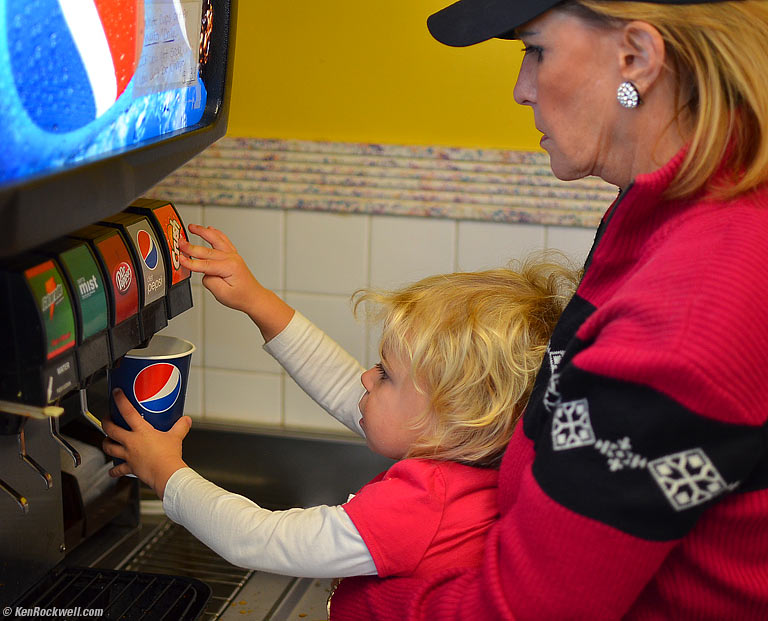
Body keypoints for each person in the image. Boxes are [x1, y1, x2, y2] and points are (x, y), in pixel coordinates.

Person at [322, 0, 768, 619]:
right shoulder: (668, 208)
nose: (520, 90)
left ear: (636, 58)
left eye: (535, 50)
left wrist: (361, 598)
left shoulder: (688, 306)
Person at [103, 225, 577, 583]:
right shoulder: (473, 456)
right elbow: (349, 390)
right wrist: (256, 301)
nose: (367, 377)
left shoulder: (418, 507)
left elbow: (261, 540)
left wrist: (165, 472)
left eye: (387, 375)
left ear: (459, 418)